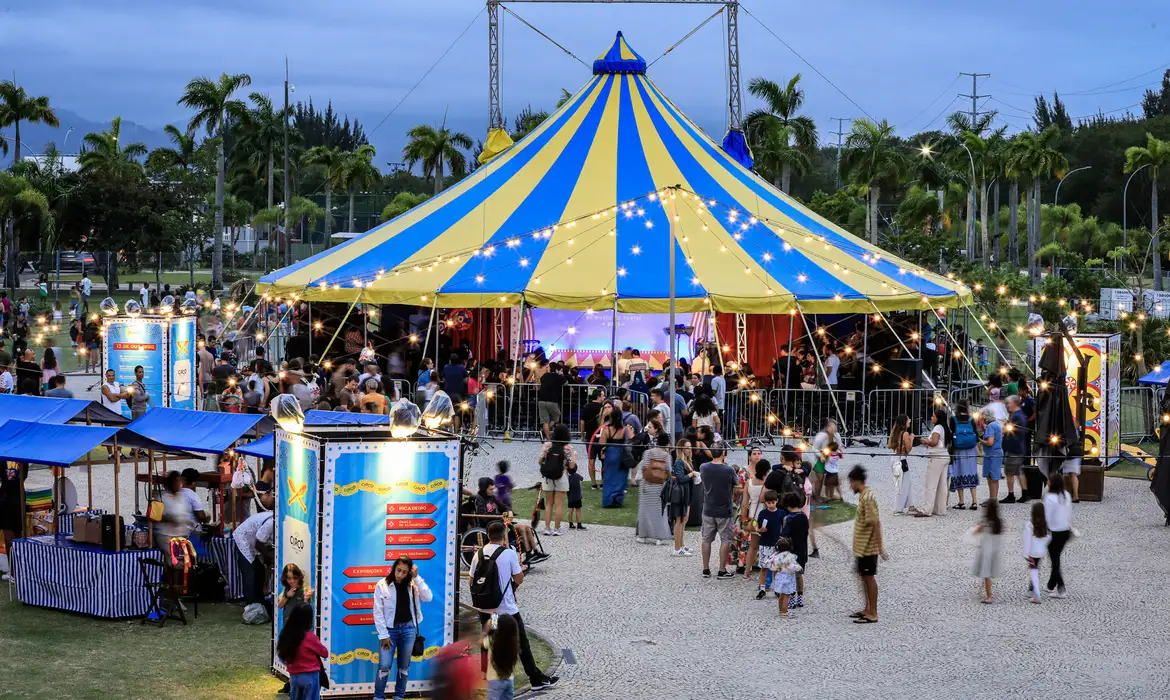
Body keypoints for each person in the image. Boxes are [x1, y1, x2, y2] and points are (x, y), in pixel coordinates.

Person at [469, 521, 559, 690]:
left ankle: (485, 674)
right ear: (504, 536)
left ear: (488, 535)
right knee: (521, 643)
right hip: (506, 610)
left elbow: (471, 580)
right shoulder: (509, 553)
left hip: (488, 610)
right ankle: (535, 678)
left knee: (488, 640)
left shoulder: (478, 554)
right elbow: (519, 578)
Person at [372, 555, 433, 700]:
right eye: (398, 570)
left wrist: (417, 577)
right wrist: (384, 635)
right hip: (389, 631)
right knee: (384, 666)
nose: (400, 574)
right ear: (393, 568)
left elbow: (428, 597)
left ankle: (399, 696)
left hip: (408, 630)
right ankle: (378, 697)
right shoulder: (382, 585)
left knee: (404, 666)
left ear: (409, 573)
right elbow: (377, 611)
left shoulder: (413, 584)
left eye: (404, 572)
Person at [849, 465, 885, 624]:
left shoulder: (868, 498)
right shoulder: (863, 496)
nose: (850, 486)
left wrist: (880, 547)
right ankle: (867, 608)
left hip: (868, 547)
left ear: (857, 481)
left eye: (851, 482)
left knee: (869, 578)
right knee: (863, 577)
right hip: (861, 548)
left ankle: (873, 613)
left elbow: (875, 523)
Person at [276, 603, 329, 700]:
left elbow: (281, 656)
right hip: (311, 675)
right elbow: (324, 653)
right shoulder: (310, 637)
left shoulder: (286, 635)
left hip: (294, 676)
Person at [699, 447, 736, 580]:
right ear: (723, 453)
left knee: (706, 539)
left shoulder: (704, 467)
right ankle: (721, 569)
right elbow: (735, 484)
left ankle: (705, 569)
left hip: (708, 508)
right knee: (725, 540)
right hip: (724, 510)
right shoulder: (729, 470)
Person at [233, 495, 275, 606]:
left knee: (259, 571)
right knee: (249, 572)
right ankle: (250, 604)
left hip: (253, 538)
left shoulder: (278, 521)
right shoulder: (272, 522)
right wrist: (268, 556)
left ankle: (259, 599)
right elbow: (258, 544)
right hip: (243, 537)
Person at [635, 432, 672, 545]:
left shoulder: (648, 453)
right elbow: (669, 471)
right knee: (659, 512)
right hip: (660, 487)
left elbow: (644, 467)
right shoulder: (667, 456)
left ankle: (643, 535)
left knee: (645, 511)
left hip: (647, 485)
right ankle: (659, 537)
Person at [538, 423, 575, 535]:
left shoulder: (547, 445)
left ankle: (547, 528)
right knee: (559, 504)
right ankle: (557, 529)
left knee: (549, 503)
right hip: (562, 476)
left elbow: (540, 461)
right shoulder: (568, 448)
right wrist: (573, 454)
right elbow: (572, 466)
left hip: (548, 477)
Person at [915, 409, 951, 517]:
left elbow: (934, 442)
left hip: (936, 457)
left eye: (933, 416)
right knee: (942, 484)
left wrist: (925, 441)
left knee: (931, 483)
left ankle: (927, 509)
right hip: (944, 455)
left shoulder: (937, 428)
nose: (931, 418)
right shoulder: (945, 428)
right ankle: (940, 508)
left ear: (938, 418)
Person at [1043, 472, 1073, 598]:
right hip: (1065, 530)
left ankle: (1061, 588)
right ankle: (1051, 584)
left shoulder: (1049, 498)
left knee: (1055, 560)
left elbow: (1047, 516)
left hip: (1054, 531)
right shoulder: (1066, 495)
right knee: (1056, 558)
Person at [598, 405, 633, 508]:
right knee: (621, 477)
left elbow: (601, 443)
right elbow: (632, 439)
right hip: (621, 454)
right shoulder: (625, 429)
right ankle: (617, 499)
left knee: (609, 478)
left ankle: (608, 500)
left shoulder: (606, 429)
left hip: (610, 454)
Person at [948, 399, 980, 510]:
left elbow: (950, 434)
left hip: (958, 449)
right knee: (971, 471)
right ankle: (974, 501)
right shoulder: (971, 420)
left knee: (959, 472)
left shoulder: (953, 419)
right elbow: (976, 433)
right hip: (970, 450)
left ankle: (961, 502)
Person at [779, 491, 810, 608]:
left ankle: (791, 599)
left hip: (791, 552)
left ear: (787, 505)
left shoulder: (788, 519)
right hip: (802, 550)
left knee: (790, 576)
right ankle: (800, 598)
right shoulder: (804, 517)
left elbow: (783, 537)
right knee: (799, 575)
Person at [740, 458, 769, 579]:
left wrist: (744, 518)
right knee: (767, 546)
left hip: (753, 516)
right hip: (765, 516)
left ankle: (747, 571)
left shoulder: (749, 482)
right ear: (766, 471)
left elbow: (745, 503)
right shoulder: (767, 484)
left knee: (753, 545)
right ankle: (766, 573)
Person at [971, 499, 1003, 604]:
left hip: (986, 551)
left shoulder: (986, 522)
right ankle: (981, 591)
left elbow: (976, 531)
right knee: (986, 572)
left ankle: (989, 596)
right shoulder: (998, 522)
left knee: (986, 574)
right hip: (994, 550)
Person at [753, 490, 784, 599]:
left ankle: (777, 588)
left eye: (773, 502)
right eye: (769, 503)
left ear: (777, 501)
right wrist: (760, 529)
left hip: (776, 545)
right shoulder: (763, 513)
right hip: (765, 544)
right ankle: (762, 588)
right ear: (765, 502)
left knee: (775, 568)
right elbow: (757, 527)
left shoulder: (781, 513)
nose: (771, 505)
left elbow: (783, 526)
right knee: (764, 567)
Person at [156, 470, 195, 554]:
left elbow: (185, 514)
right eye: (177, 481)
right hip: (167, 537)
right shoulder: (162, 498)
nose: (179, 484)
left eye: (179, 481)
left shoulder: (182, 497)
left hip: (182, 536)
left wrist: (189, 522)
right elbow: (156, 517)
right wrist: (169, 519)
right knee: (175, 562)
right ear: (171, 483)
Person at [483, 613, 520, 700]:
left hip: (494, 681)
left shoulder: (492, 642)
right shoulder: (513, 643)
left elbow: (481, 641)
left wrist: (486, 629)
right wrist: (495, 618)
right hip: (509, 679)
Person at [768, 537, 802, 618]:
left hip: (779, 576)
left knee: (781, 595)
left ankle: (780, 610)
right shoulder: (790, 556)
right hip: (788, 578)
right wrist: (799, 568)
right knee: (787, 595)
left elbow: (771, 565)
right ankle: (785, 611)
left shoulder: (776, 556)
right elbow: (792, 566)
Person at [1024, 502, 1051, 604]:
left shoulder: (1029, 524)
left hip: (1032, 552)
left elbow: (1027, 540)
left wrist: (1026, 554)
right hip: (1041, 552)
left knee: (1034, 572)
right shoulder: (1045, 524)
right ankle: (1031, 589)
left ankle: (1037, 595)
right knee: (1035, 569)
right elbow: (1049, 537)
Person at [889, 415, 914, 514]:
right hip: (902, 459)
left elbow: (890, 445)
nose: (910, 421)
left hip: (894, 458)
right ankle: (898, 508)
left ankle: (911, 505)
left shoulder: (895, 433)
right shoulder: (905, 434)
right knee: (902, 484)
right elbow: (909, 448)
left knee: (907, 483)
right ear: (904, 422)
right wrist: (911, 438)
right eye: (908, 420)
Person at [979, 406, 1004, 502]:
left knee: (992, 477)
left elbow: (990, 442)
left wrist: (981, 441)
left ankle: (993, 500)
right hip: (996, 453)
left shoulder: (991, 426)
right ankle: (993, 498)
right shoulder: (996, 424)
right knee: (994, 477)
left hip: (992, 454)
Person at [537, 362, 566, 440]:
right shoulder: (560, 377)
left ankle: (547, 438)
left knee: (545, 421)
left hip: (541, 400)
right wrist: (561, 375)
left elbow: (541, 380)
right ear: (557, 370)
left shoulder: (546, 375)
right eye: (561, 370)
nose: (562, 372)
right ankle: (545, 432)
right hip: (552, 401)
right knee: (556, 416)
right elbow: (566, 383)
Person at [565, 462, 584, 530]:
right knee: (578, 510)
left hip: (570, 497)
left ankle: (570, 523)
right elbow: (582, 478)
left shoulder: (567, 478)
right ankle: (579, 524)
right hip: (578, 496)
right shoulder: (577, 476)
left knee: (570, 510)